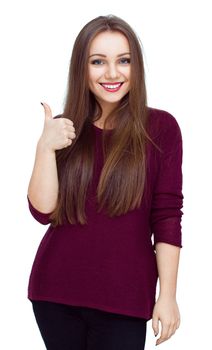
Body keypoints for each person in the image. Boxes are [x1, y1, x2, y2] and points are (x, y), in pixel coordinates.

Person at [27, 14, 184, 350]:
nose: (112, 73)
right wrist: (44, 147)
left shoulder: (161, 129)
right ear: (82, 69)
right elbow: (43, 212)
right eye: (98, 61)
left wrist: (167, 296)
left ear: (135, 67)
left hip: (125, 300)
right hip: (55, 295)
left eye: (123, 61)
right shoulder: (65, 128)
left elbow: (167, 217)